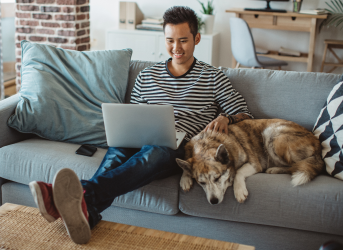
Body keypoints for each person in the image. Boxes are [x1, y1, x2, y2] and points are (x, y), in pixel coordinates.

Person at [29, 6, 253, 244]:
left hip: (179, 146)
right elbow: (132, 115)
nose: (176, 48)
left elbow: (245, 114)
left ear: (197, 38)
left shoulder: (213, 77)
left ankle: (74, 195)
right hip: (138, 137)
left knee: (153, 152)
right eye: (170, 40)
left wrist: (226, 118)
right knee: (116, 156)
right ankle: (88, 213)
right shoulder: (147, 76)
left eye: (183, 40)